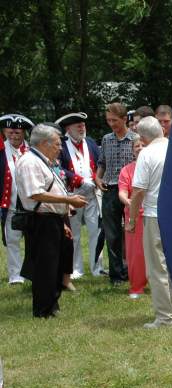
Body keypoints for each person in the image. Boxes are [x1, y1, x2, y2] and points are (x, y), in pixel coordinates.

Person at [15, 123, 87, 317]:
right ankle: (43, 309)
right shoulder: (30, 162)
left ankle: (51, 304)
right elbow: (35, 193)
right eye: (57, 144)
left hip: (52, 218)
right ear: (44, 143)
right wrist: (68, 199)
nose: (60, 148)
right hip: (41, 220)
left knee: (56, 263)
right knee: (45, 265)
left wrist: (63, 218)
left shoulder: (42, 161)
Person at [126, 116, 172, 328]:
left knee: (157, 267)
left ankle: (165, 317)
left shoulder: (147, 154)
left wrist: (132, 219)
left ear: (142, 137)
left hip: (155, 214)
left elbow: (139, 191)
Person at [56, 111, 104, 279]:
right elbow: (58, 168)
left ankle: (97, 268)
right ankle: (75, 269)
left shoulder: (90, 142)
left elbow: (100, 163)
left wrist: (96, 178)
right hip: (72, 194)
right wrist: (77, 179)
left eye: (83, 125)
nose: (82, 128)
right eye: (78, 126)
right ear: (68, 128)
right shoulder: (61, 144)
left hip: (92, 194)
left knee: (95, 232)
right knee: (74, 234)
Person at [95, 102, 135, 285]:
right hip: (110, 189)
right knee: (112, 234)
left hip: (131, 190)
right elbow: (101, 163)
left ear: (124, 119)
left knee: (133, 232)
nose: (112, 124)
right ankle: (116, 274)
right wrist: (97, 178)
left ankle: (134, 270)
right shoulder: (106, 139)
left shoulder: (136, 139)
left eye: (115, 120)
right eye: (109, 120)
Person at [0, 113, 34, 285]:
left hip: (32, 205)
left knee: (33, 240)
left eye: (17, 133)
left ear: (24, 134)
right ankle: (15, 274)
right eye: (10, 132)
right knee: (12, 240)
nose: (13, 136)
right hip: (10, 204)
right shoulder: (1, 151)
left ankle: (32, 271)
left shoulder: (32, 151)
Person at [117, 133, 147, 299]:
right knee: (135, 253)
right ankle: (136, 286)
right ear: (132, 150)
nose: (140, 148)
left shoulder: (153, 165)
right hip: (133, 215)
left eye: (143, 145)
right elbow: (122, 192)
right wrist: (130, 203)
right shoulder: (126, 170)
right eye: (137, 146)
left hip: (151, 213)